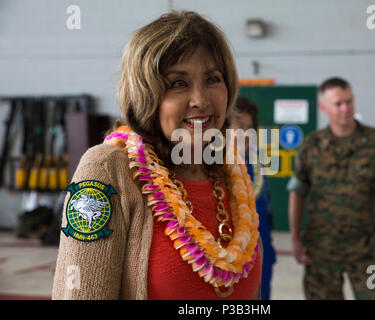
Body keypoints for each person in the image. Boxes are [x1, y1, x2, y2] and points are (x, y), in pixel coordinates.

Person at [52, 11, 262, 300]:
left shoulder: (232, 174)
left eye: (213, 79)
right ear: (145, 94)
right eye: (178, 83)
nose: (200, 99)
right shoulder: (107, 168)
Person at [287, 77, 375, 300]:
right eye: (338, 104)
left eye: (349, 101)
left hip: (367, 254)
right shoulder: (312, 145)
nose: (345, 108)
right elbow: (297, 192)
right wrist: (296, 239)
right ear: (323, 107)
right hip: (321, 254)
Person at [229, 96, 276, 300]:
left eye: (249, 128)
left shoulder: (257, 166)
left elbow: (266, 213)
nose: (244, 134)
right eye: (238, 127)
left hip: (260, 259)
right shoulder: (206, 167)